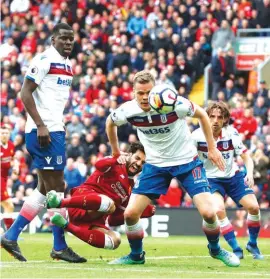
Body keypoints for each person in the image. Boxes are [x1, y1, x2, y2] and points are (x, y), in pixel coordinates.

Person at [106, 70, 240, 267]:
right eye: (140, 93)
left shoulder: (173, 103)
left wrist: (212, 148)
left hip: (186, 161)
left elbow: (202, 114)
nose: (144, 97)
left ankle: (216, 249)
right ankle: (136, 255)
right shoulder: (128, 110)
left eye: (148, 92)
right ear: (133, 92)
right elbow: (110, 122)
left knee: (210, 213)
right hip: (155, 165)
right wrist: (116, 152)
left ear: (155, 90)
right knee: (130, 214)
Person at [1, 23, 85, 263]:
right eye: (64, 39)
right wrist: (41, 124)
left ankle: (11, 235)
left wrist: (57, 123)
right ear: (53, 40)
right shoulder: (45, 59)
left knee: (46, 188)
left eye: (71, 39)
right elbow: (24, 93)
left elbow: (52, 99)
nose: (68, 42)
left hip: (53, 129)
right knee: (57, 188)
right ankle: (59, 246)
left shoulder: (67, 64)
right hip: (43, 133)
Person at [46, 142, 155, 250]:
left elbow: (113, 220)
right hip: (80, 203)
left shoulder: (132, 189)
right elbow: (98, 165)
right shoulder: (116, 162)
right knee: (109, 204)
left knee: (115, 240)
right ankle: (60, 202)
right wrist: (114, 159)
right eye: (137, 158)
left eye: (143, 162)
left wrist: (142, 212)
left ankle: (66, 225)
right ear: (129, 154)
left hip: (93, 220)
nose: (139, 163)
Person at [191, 101, 263, 260]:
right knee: (219, 210)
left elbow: (246, 157)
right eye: (212, 116)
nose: (215, 120)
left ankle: (252, 243)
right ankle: (236, 248)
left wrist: (249, 174)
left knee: (254, 207)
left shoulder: (232, 133)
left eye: (219, 117)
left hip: (233, 176)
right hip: (210, 179)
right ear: (206, 117)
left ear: (225, 119)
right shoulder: (196, 136)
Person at [0, 125, 17, 230]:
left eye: (6, 133)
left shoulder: (11, 145)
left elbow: (13, 159)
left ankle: (8, 233)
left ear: (9, 134)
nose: (4, 135)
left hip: (4, 178)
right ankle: (9, 234)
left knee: (9, 206)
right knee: (8, 204)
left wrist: (15, 167)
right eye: (2, 133)